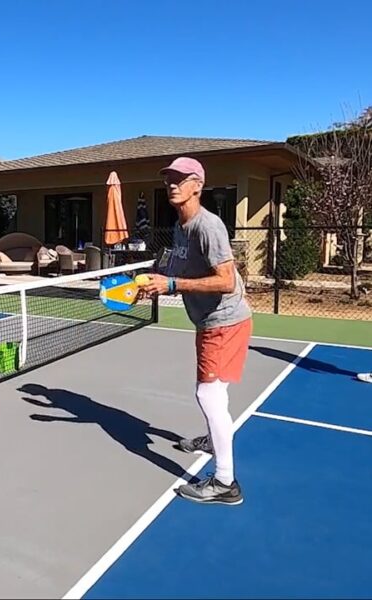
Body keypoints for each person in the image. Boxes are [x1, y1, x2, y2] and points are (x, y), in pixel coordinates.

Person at [140, 156, 252, 506]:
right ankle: (212, 437)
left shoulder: (209, 226)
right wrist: (151, 282)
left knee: (207, 395)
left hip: (224, 322)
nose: (172, 184)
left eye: (181, 179)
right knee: (215, 393)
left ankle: (224, 482)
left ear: (197, 186)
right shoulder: (180, 226)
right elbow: (174, 267)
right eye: (169, 179)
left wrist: (171, 283)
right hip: (212, 322)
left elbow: (226, 280)